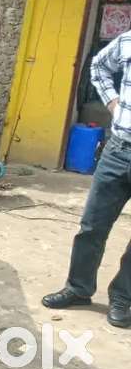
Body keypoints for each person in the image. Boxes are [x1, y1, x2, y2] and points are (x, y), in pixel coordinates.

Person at [42, 32, 131, 329]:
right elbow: (98, 66)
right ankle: (78, 288)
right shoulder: (129, 40)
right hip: (119, 150)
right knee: (92, 225)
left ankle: (123, 297)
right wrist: (113, 102)